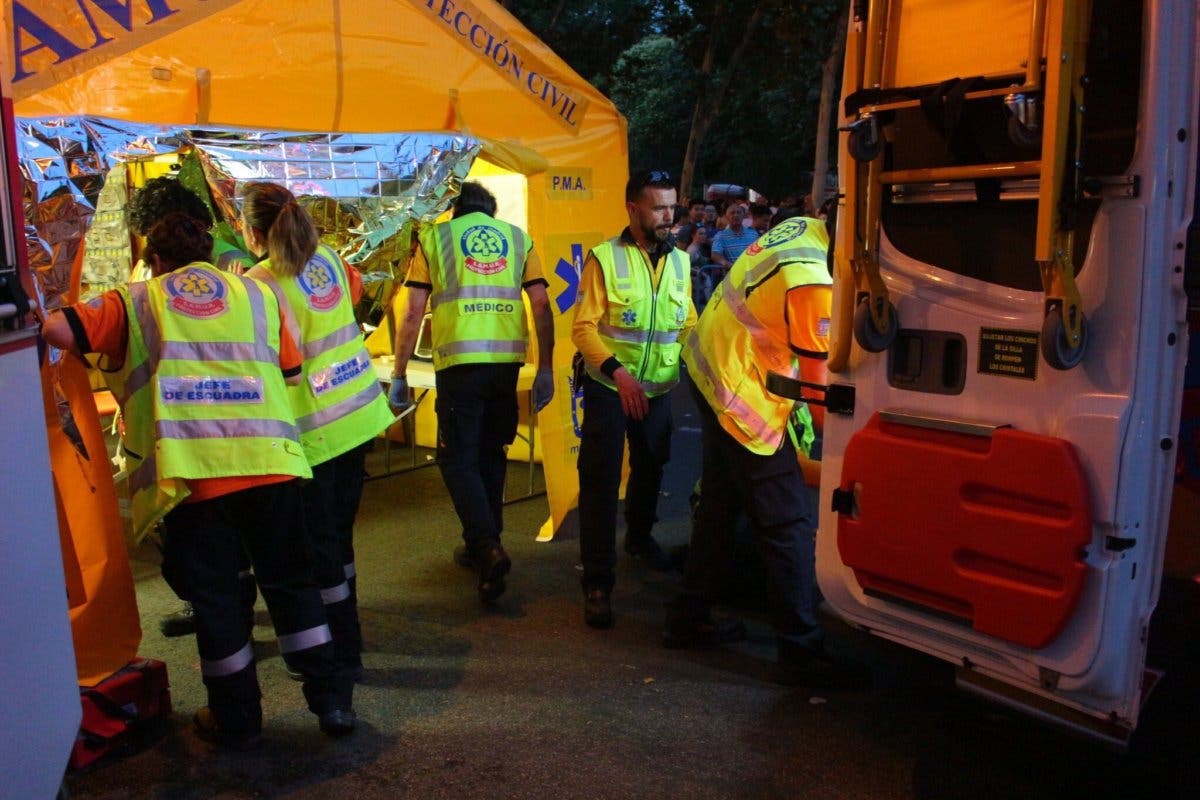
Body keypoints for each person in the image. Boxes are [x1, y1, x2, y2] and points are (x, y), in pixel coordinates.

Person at [42, 213, 354, 748]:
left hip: (195, 478)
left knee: (219, 598)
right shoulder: (255, 294)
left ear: (153, 258)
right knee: (292, 584)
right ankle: (332, 702)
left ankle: (236, 720)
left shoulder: (136, 300)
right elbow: (293, 370)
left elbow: (55, 329)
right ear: (209, 252)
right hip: (270, 461)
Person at [666, 208, 868, 688]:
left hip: (707, 365)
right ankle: (801, 649)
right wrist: (842, 455)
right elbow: (820, 394)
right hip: (740, 391)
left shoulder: (807, 228)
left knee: (720, 506)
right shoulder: (813, 279)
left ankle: (688, 616)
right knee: (788, 523)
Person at [241, 182, 394, 691]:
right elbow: (352, 299)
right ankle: (346, 640)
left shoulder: (260, 282)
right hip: (359, 417)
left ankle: (341, 651)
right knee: (338, 539)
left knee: (317, 551)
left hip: (314, 432)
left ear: (252, 230)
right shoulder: (329, 259)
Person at [389, 181, 555, 604]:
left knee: (456, 458)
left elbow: (412, 312)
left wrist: (400, 372)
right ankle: (485, 548)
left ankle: (485, 545)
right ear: (490, 210)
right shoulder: (517, 238)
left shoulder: (434, 238)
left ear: (455, 208)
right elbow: (539, 304)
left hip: (460, 365)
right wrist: (547, 368)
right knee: (490, 453)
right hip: (506, 364)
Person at [124, 177, 260, 640]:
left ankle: (228, 617)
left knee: (222, 537)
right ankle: (210, 605)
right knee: (190, 537)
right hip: (179, 422)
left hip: (225, 420)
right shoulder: (152, 269)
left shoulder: (231, 263)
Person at [572, 169, 697, 628]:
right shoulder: (605, 258)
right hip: (610, 389)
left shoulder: (682, 262)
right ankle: (599, 582)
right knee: (601, 484)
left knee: (651, 467)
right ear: (633, 209)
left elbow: (688, 325)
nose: (669, 217)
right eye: (659, 208)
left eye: (672, 207)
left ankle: (640, 539)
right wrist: (618, 373)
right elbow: (583, 328)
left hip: (659, 391)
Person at [709, 203, 759, 268]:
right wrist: (725, 263)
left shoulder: (753, 234)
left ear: (743, 216)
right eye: (732, 213)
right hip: (733, 272)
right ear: (727, 217)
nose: (736, 215)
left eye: (739, 212)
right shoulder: (721, 236)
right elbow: (715, 254)